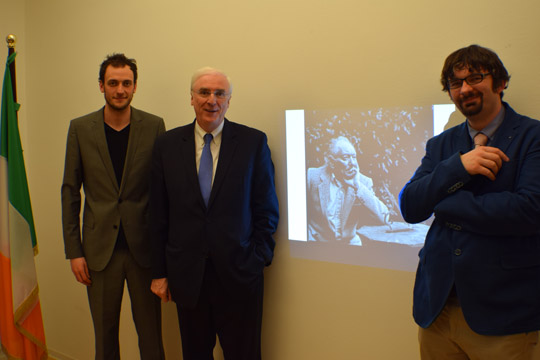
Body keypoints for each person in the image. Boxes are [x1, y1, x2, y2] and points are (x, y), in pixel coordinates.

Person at [399, 44, 540, 359]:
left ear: (500, 82)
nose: (465, 88)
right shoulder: (441, 146)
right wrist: (458, 166)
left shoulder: (533, 137)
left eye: (475, 77)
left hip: (504, 313)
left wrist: (444, 203)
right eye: (455, 83)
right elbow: (410, 206)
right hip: (437, 309)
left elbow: (529, 211)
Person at [149, 67, 279, 360]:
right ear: (191, 98)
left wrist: (258, 259)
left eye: (220, 93)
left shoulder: (253, 143)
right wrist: (159, 273)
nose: (212, 100)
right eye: (204, 92)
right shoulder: (167, 146)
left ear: (229, 100)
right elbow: (158, 214)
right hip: (188, 278)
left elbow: (266, 210)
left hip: (240, 275)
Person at [61, 53, 165, 359]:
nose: (120, 89)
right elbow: (70, 191)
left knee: (150, 336)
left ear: (135, 87)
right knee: (104, 338)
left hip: (143, 251)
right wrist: (74, 251)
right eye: (113, 83)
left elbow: (162, 192)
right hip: (97, 252)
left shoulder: (154, 126)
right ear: (101, 86)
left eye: (126, 83)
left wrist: (164, 252)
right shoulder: (80, 128)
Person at [307, 136, 390, 245]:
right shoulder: (312, 176)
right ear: (331, 161)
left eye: (354, 157)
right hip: (317, 243)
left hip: (349, 244)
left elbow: (384, 217)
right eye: (346, 157)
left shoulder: (363, 182)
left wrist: (357, 187)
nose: (353, 163)